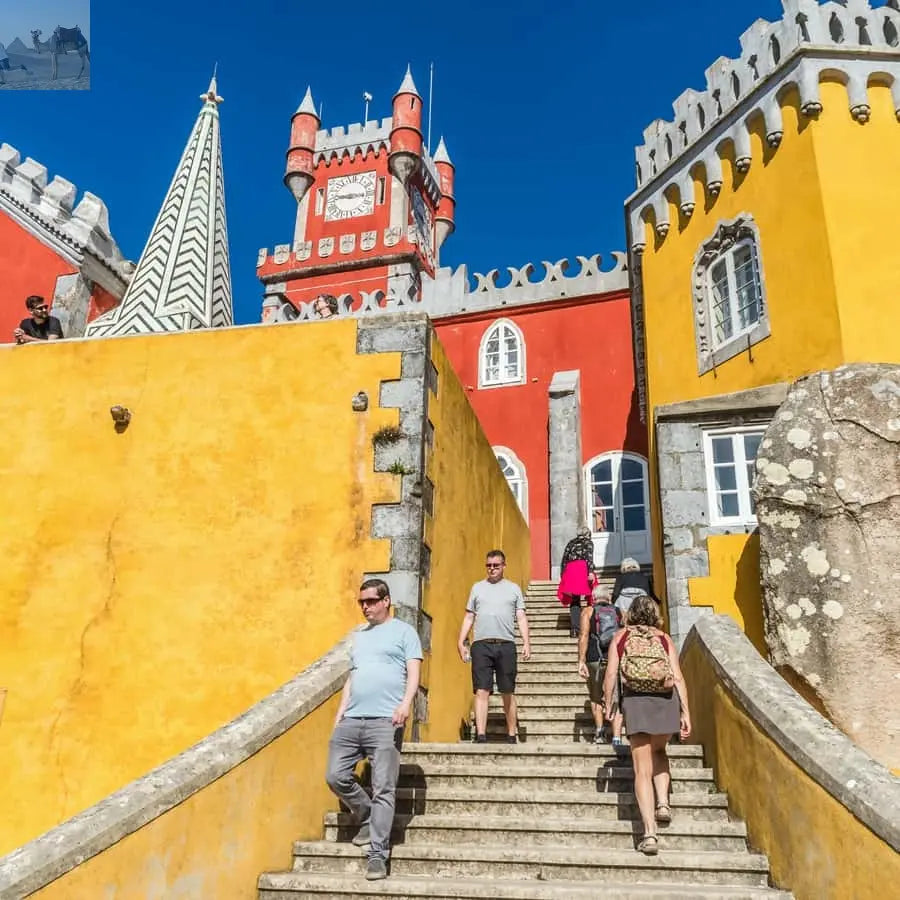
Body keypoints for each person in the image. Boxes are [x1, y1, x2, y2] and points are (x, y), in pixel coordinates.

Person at [325, 578, 423, 881]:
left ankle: (378, 854)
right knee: (335, 776)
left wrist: (406, 704)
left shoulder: (405, 632)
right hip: (352, 718)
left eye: (370, 601)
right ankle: (367, 815)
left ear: (385, 601)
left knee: (384, 787)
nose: (365, 607)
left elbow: (414, 671)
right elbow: (354, 675)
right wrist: (341, 710)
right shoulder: (360, 636)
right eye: (361, 602)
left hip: (386, 720)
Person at [603, 595, 691, 856]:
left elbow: (610, 673)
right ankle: (663, 803)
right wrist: (685, 711)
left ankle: (650, 834)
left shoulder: (621, 637)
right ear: (654, 614)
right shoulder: (664, 638)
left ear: (630, 613)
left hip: (636, 702)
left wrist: (609, 703)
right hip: (665, 701)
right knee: (660, 752)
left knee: (642, 770)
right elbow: (677, 676)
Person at [458, 549, 531, 744]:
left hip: (506, 645)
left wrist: (526, 642)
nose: (492, 569)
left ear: (504, 566)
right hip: (481, 645)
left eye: (496, 565)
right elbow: (469, 616)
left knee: (507, 690)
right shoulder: (477, 588)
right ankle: (481, 734)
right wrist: (461, 640)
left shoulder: (514, 589)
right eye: (489, 565)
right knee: (481, 690)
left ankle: (511, 733)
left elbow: (521, 617)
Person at [577, 584, 622, 744]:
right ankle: (617, 737)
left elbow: (583, 636)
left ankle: (600, 733)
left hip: (594, 658)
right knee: (616, 697)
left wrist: (581, 661)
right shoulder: (617, 611)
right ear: (609, 597)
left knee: (596, 698)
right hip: (614, 659)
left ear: (594, 598)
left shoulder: (588, 611)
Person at [557, 528, 595, 637]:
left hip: (570, 569)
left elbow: (564, 559)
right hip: (582, 568)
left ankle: (575, 629)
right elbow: (589, 558)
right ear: (588, 534)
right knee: (591, 596)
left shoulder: (571, 542)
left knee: (574, 599)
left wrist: (563, 575)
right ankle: (590, 626)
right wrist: (591, 572)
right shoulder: (588, 542)